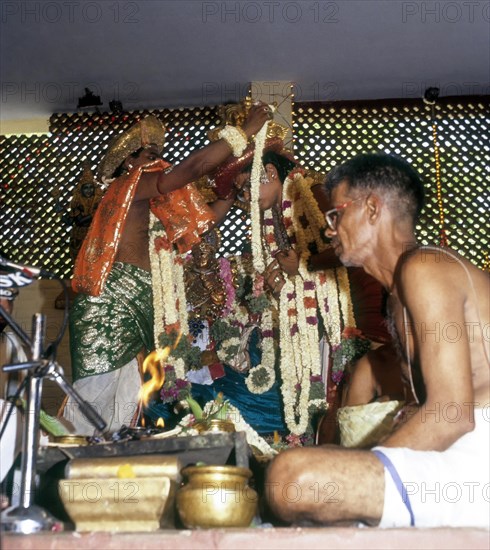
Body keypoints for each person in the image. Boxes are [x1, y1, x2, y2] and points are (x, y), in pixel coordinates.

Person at [266, 152, 490, 528]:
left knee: (292, 479)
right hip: (465, 451)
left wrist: (370, 461)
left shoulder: (425, 268)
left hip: (477, 457)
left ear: (372, 208)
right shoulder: (400, 292)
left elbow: (452, 414)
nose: (330, 230)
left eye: (336, 215)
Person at [64, 105, 270, 435]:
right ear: (128, 163)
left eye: (160, 152)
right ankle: (65, 466)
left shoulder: (152, 206)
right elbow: (192, 168)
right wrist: (242, 133)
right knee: (94, 402)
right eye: (149, 153)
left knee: (127, 403)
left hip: (138, 307)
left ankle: (106, 470)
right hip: (110, 307)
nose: (157, 159)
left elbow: (202, 223)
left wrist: (230, 192)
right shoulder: (127, 188)